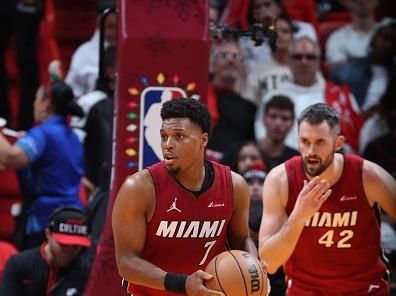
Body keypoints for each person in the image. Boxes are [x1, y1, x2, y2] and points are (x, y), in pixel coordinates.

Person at [112, 98, 259, 296]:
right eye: (164, 136)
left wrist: (254, 271)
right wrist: (182, 283)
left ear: (203, 140)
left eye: (179, 136)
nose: (168, 145)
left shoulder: (234, 186)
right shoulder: (139, 188)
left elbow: (242, 240)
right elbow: (126, 263)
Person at [259, 103, 396, 295]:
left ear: (338, 143)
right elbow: (269, 264)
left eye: (320, 142)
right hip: (305, 290)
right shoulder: (280, 180)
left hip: (364, 289)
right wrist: (298, 217)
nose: (311, 151)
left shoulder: (369, 177)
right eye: (305, 141)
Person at [0, 80, 84, 249]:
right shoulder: (74, 136)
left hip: (45, 222)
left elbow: (11, 158)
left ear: (46, 103)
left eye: (36, 99)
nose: (33, 104)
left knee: (39, 274)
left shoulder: (43, 134)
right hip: (74, 218)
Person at [0, 206, 92, 295]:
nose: (69, 252)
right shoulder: (19, 264)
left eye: (76, 246)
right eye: (63, 245)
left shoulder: (87, 272)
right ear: (48, 234)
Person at [257, 95, 299, 170]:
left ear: (292, 124)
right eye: (273, 116)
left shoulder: (297, 159)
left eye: (285, 118)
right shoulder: (243, 153)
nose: (278, 123)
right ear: (264, 119)